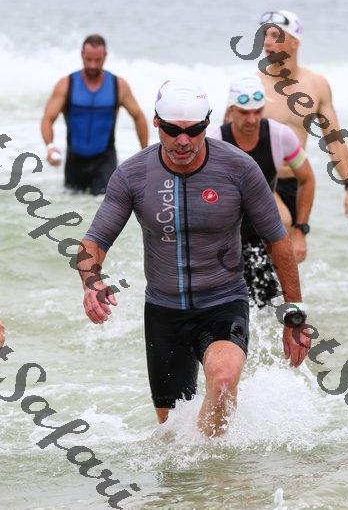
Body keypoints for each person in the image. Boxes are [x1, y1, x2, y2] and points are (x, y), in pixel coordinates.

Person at [77, 79, 311, 438]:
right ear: (157, 123)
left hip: (223, 303)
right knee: (171, 434)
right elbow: (94, 241)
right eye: (173, 130)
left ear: (208, 124)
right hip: (164, 312)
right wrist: (92, 281)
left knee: (223, 380)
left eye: (194, 130)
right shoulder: (133, 174)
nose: (183, 141)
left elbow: (277, 241)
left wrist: (294, 313)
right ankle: (198, 473)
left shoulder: (239, 168)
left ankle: (217, 469)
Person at [210, 75, 314, 306]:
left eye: (257, 111)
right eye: (244, 112)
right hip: (223, 237)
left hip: (262, 237)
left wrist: (301, 231)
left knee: (266, 309)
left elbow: (307, 179)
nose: (252, 119)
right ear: (231, 110)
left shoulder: (280, 136)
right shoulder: (214, 142)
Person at [256, 10, 348, 229]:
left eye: (275, 35)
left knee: (294, 246)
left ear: (295, 42)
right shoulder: (253, 85)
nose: (266, 42)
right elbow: (227, 140)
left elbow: (334, 140)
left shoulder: (316, 85)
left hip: (297, 184)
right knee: (281, 225)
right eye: (264, 35)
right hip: (259, 182)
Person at [41, 34, 148, 195]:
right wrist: (50, 146)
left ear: (105, 56)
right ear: (82, 55)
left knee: (105, 205)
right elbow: (48, 118)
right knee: (70, 206)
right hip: (74, 161)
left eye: (97, 60)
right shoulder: (66, 84)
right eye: (88, 59)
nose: (92, 65)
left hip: (105, 161)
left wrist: (144, 153)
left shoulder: (118, 85)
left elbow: (138, 116)